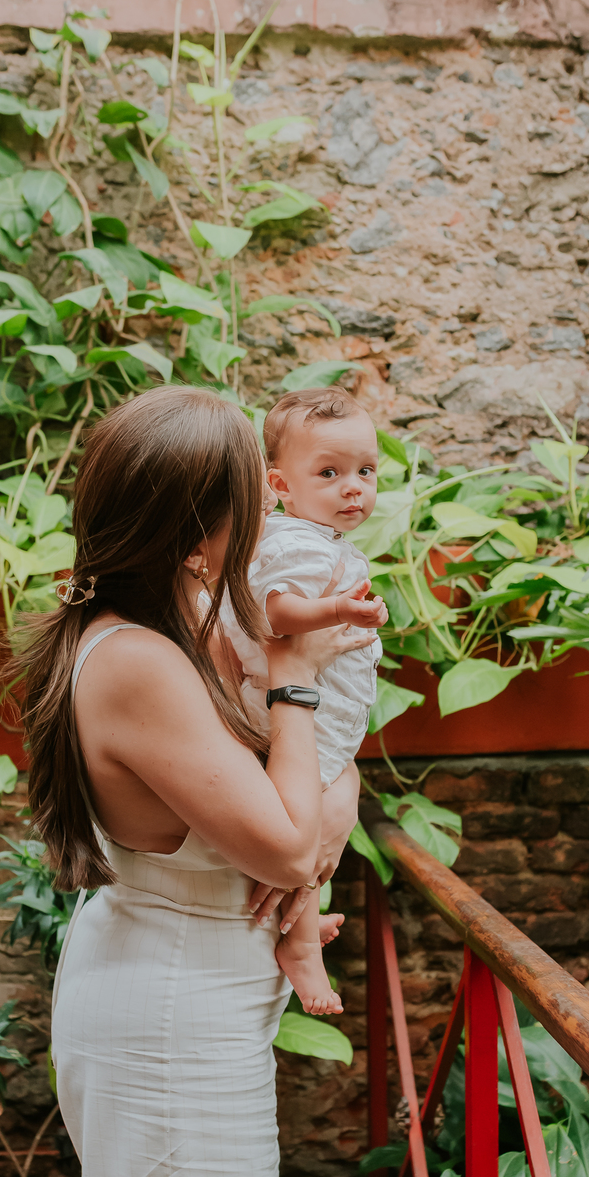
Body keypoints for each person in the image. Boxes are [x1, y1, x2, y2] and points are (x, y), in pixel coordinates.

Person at [14, 386, 373, 1177]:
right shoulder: (137, 661)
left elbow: (315, 822)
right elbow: (287, 828)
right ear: (201, 527)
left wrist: (299, 755)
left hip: (192, 998)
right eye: (243, 494)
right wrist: (292, 689)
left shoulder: (174, 627)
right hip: (162, 1018)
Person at [221, 388, 388, 1017]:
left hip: (323, 714)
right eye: (330, 473)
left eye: (365, 472)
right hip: (294, 711)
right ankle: (300, 946)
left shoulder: (321, 540)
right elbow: (279, 613)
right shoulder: (293, 542)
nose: (354, 488)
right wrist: (342, 608)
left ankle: (297, 920)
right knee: (305, 817)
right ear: (279, 484)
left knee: (319, 816)